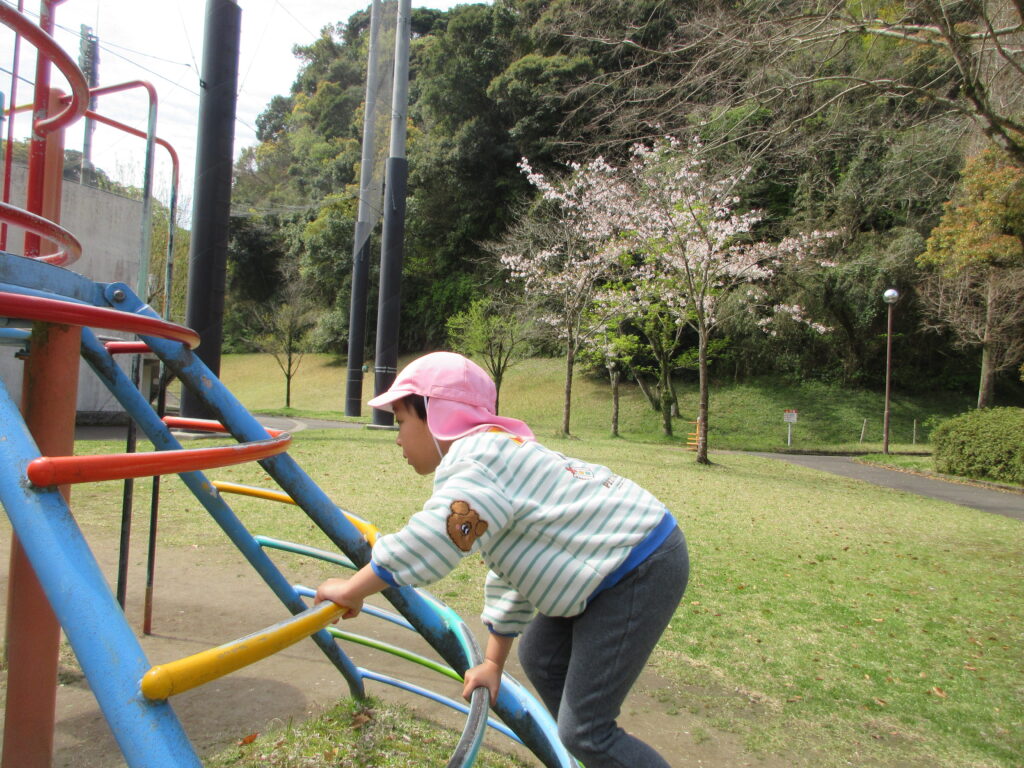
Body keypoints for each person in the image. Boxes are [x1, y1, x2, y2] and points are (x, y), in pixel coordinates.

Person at [315, 351, 689, 767]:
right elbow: (514, 571)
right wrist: (493, 663)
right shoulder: (494, 456)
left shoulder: (477, 461)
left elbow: (433, 537)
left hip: (637, 564)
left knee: (587, 732)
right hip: (615, 561)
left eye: (401, 421)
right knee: (541, 657)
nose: (397, 437)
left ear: (437, 416)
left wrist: (352, 589)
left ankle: (596, 750)